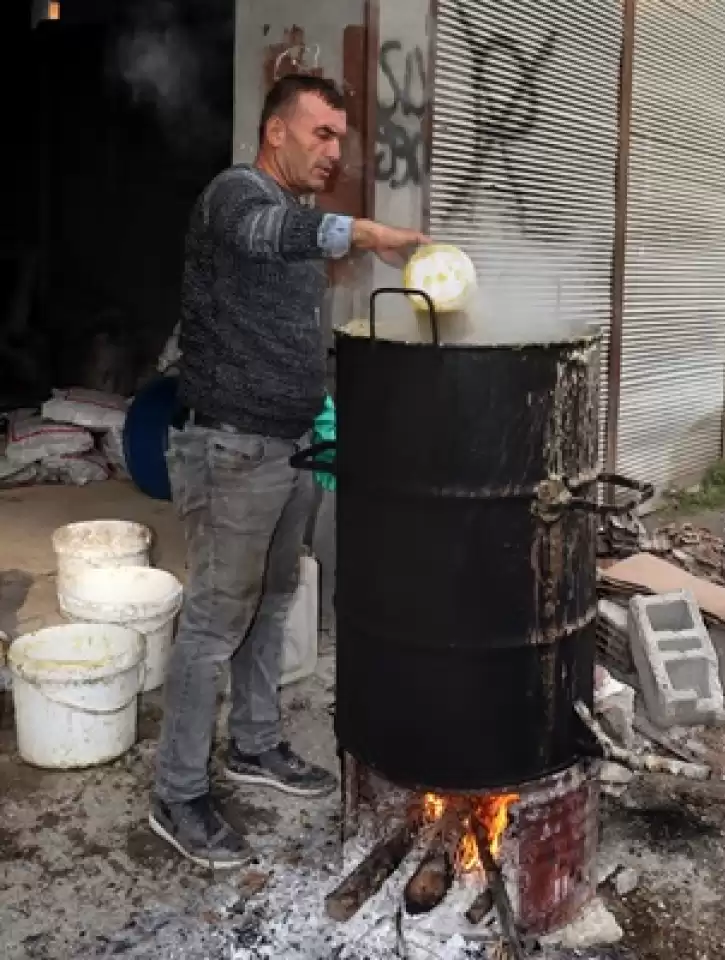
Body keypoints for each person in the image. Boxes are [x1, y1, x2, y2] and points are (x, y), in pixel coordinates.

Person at [150, 74, 430, 868]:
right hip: (231, 448)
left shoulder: (298, 222)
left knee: (272, 603)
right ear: (276, 133)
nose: (333, 150)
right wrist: (367, 232)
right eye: (322, 134)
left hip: (291, 442)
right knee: (213, 621)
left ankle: (255, 744)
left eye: (340, 137)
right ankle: (178, 794)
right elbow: (268, 234)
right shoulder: (235, 198)